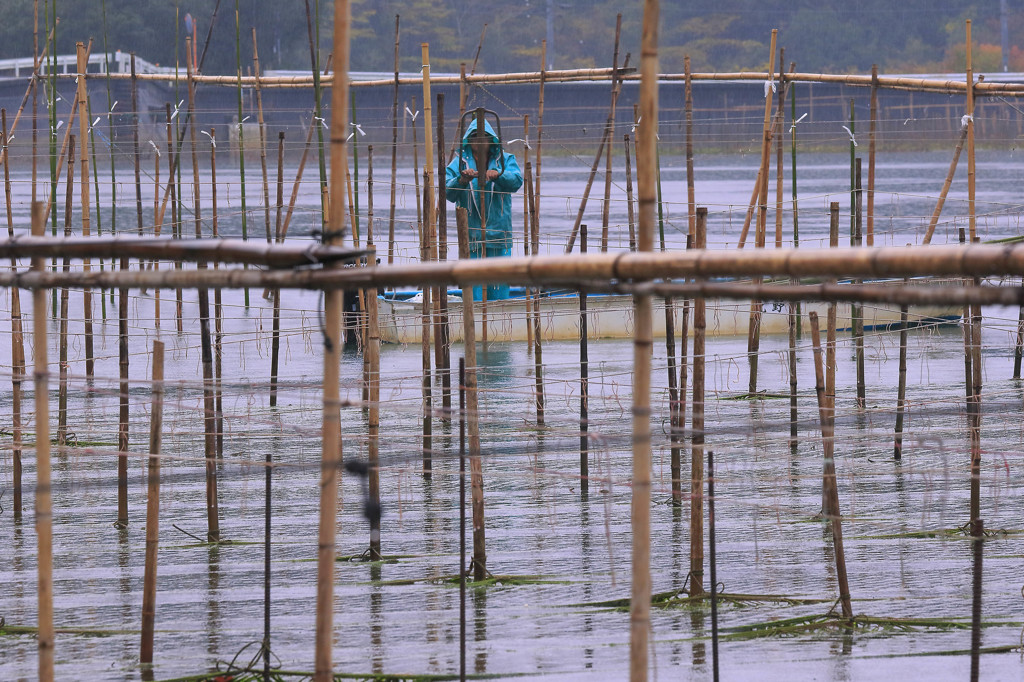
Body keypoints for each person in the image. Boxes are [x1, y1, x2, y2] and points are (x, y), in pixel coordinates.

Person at [445, 118, 523, 301]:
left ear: (491, 140)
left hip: (499, 235)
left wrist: (499, 175)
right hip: (471, 238)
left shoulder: (504, 160)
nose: (479, 141)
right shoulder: (459, 163)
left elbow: (516, 181)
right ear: (468, 140)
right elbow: (448, 192)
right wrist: (462, 180)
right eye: (475, 137)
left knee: (500, 287)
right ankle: (475, 327)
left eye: (484, 137)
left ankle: (500, 327)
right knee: (474, 290)